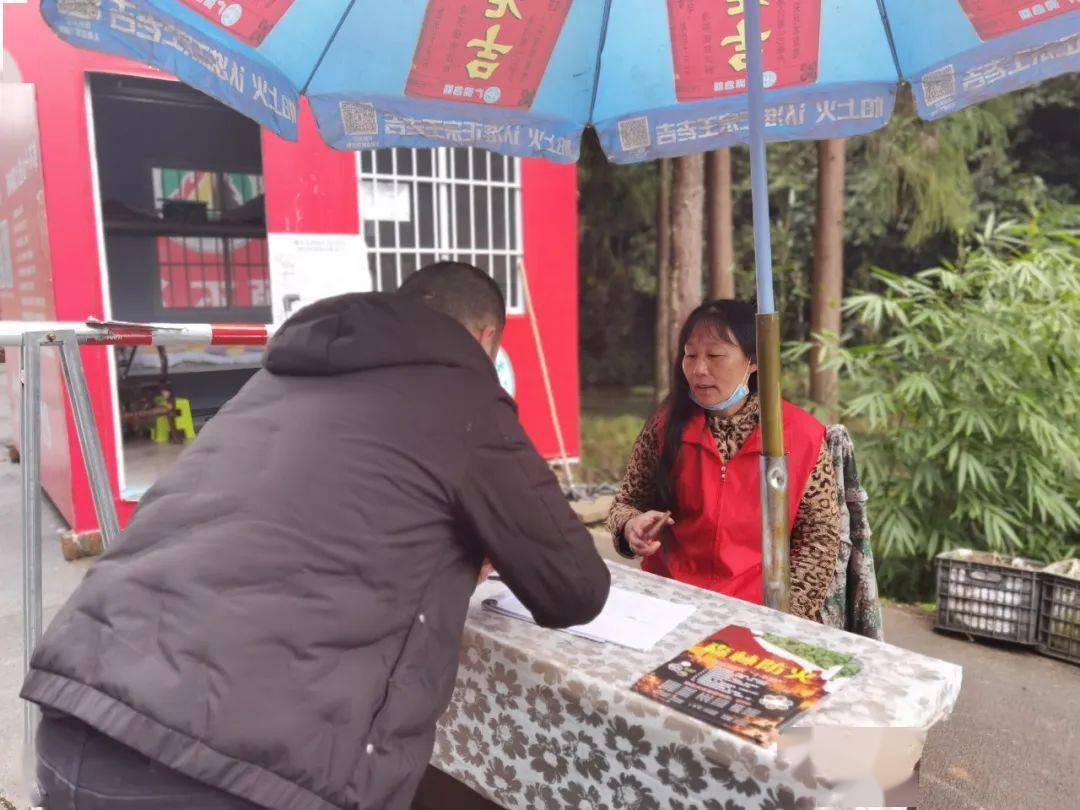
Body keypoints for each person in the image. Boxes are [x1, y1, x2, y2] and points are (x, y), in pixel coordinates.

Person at [22, 262, 611, 810]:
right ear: (486, 340)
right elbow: (574, 587)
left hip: (78, 712)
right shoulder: (464, 394)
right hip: (225, 767)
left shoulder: (276, 379)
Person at [607, 299, 840, 621]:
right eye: (690, 355)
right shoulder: (665, 427)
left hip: (758, 609)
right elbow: (625, 503)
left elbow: (819, 540)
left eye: (715, 355)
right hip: (670, 602)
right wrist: (631, 527)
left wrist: (782, 617)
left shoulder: (802, 437)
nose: (699, 369)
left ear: (754, 361)